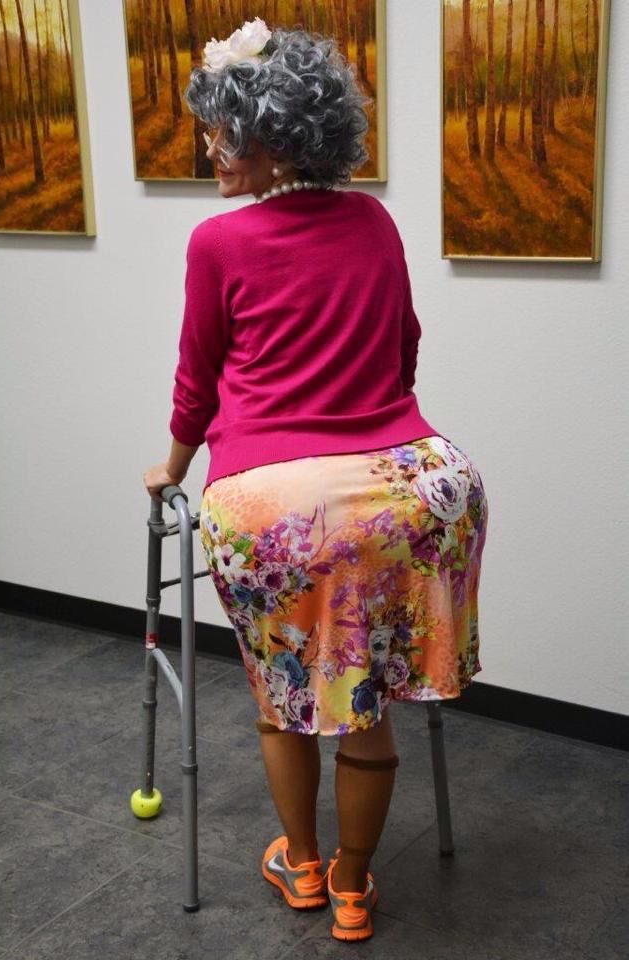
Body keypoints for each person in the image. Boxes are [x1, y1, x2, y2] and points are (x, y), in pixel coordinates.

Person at [143, 18, 489, 943]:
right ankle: (352, 883)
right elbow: (405, 350)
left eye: (229, 135)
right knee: (366, 692)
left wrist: (171, 468)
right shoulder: (374, 218)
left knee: (289, 695)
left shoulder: (218, 241)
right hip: (419, 487)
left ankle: (301, 866)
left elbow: (197, 379)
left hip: (276, 501)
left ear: (279, 138)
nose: (212, 151)